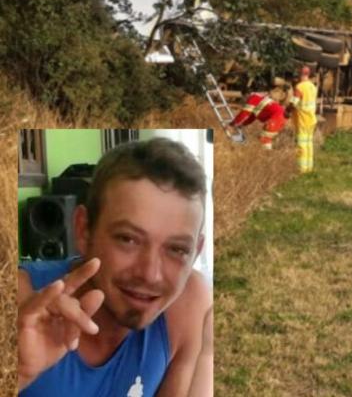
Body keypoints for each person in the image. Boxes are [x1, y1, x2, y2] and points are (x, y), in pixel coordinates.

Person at [18, 138, 212, 396]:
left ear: (195, 252)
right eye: (128, 239)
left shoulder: (188, 302)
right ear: (84, 230)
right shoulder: (20, 299)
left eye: (177, 249)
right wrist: (18, 372)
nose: (150, 274)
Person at [230, 80, 289, 150]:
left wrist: (232, 124)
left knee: (265, 138)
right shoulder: (258, 98)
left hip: (276, 118)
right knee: (265, 138)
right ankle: (266, 154)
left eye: (244, 98)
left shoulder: (253, 98)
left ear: (246, 95)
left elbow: (244, 113)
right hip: (280, 117)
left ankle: (267, 156)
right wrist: (242, 124)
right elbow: (251, 117)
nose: (244, 100)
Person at [291, 66, 318, 173]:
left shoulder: (300, 87)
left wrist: (286, 112)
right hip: (311, 119)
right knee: (309, 144)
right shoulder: (312, 86)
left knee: (301, 145)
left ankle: (301, 169)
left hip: (302, 120)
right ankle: (309, 168)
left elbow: (293, 103)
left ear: (299, 74)